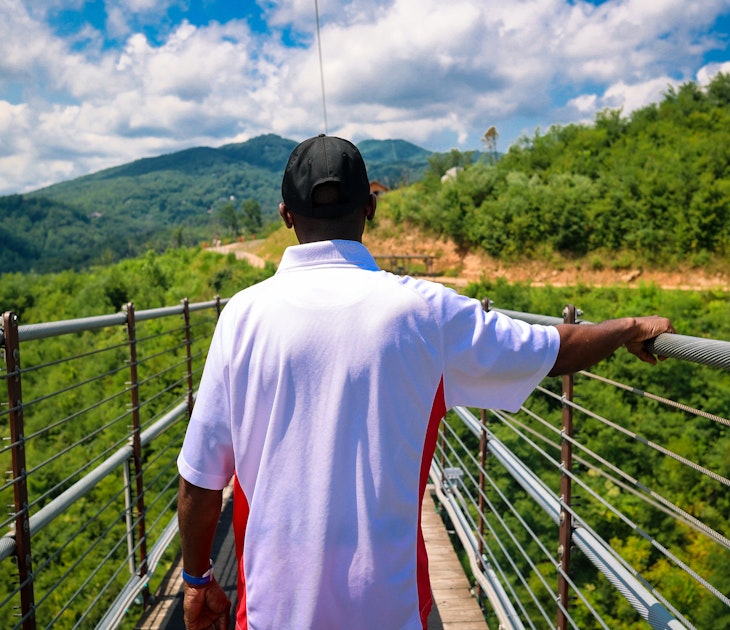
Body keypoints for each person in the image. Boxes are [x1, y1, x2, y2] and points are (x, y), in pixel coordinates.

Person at [177, 134, 675, 630]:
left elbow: (200, 482)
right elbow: (554, 348)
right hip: (389, 610)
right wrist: (627, 328)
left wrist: (199, 581)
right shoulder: (425, 313)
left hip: (272, 612)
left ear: (286, 215)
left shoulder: (240, 317)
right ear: (370, 207)